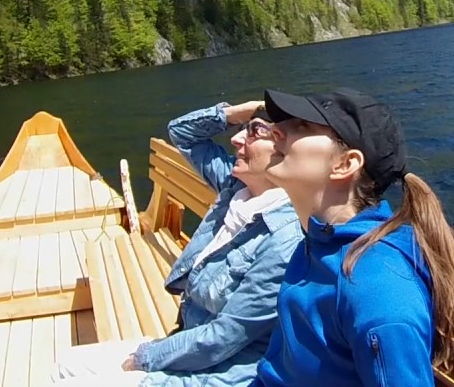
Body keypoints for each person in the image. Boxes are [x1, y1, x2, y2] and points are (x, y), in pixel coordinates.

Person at [52, 100, 303, 387]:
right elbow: (182, 133)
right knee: (64, 366)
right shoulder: (236, 188)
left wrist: (146, 357)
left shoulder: (284, 238)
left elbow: (225, 336)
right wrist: (242, 111)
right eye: (243, 129)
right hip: (188, 340)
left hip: (219, 373)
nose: (236, 138)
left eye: (254, 131)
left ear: (286, 151)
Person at [253, 87, 454, 387]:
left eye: (302, 125)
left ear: (345, 164)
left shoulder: (375, 285)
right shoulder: (318, 245)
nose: (275, 131)